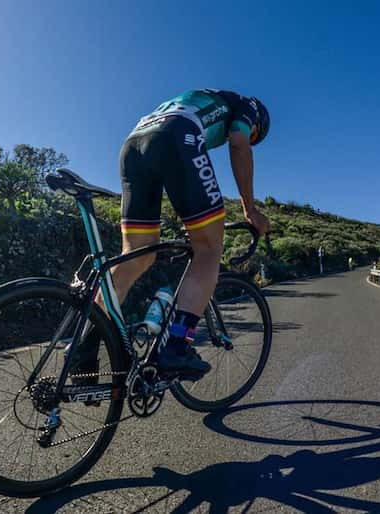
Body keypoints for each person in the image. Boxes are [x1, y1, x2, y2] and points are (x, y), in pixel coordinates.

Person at [76, 89, 271, 380]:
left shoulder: (200, 97)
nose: (251, 135)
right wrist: (250, 209)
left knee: (137, 255)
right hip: (176, 135)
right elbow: (240, 143)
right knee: (208, 249)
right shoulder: (247, 106)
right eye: (257, 135)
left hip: (134, 142)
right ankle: (177, 345)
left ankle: (86, 345)